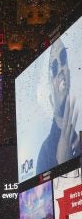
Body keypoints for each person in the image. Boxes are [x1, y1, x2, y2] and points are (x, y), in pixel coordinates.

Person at [36, 39, 80, 175]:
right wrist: (65, 165)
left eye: (63, 58)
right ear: (49, 98)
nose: (60, 69)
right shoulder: (45, 152)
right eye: (54, 68)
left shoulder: (78, 134)